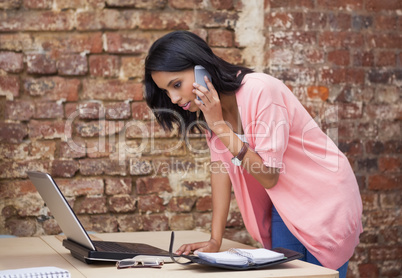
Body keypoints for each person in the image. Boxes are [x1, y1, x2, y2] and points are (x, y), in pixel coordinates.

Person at [144, 30, 363, 277]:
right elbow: (221, 171)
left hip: (325, 198)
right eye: (166, 91)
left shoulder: (260, 90)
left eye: (176, 85)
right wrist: (215, 240)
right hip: (283, 205)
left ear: (201, 69)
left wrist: (219, 126)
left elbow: (269, 176)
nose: (173, 98)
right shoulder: (212, 112)